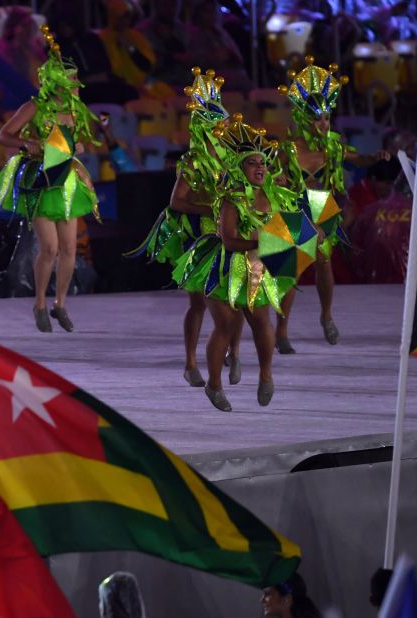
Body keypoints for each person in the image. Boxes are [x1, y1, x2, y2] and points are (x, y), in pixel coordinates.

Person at [173, 115, 301, 411]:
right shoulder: (231, 199)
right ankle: (214, 384)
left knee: (261, 322)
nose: (260, 168)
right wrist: (264, 244)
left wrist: (308, 232)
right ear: (240, 167)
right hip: (224, 267)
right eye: (252, 163)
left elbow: (294, 225)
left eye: (263, 163)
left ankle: (266, 375)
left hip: (259, 267)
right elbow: (228, 240)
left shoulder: (275, 195)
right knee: (226, 326)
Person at [130, 68, 242, 388]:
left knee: (236, 298)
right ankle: (191, 362)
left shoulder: (233, 158)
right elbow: (177, 202)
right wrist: (212, 208)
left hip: (228, 234)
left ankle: (233, 352)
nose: (221, 128)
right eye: (216, 124)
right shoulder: (192, 162)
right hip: (199, 237)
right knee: (199, 304)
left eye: (222, 123)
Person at [275, 58, 390, 353]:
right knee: (292, 269)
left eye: (327, 118)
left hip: (322, 206)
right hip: (295, 207)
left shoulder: (333, 146)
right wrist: (281, 179)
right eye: (318, 119)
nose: (324, 124)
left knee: (324, 263)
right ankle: (282, 331)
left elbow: (358, 159)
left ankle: (326, 315)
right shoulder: (288, 149)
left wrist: (376, 157)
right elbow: (270, 176)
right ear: (304, 119)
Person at [0, 26, 101, 333]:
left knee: (69, 248)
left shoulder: (75, 112)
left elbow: (82, 141)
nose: (77, 87)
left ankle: (60, 304)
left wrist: (80, 146)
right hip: (40, 181)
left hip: (66, 179)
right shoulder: (35, 107)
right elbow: (3, 135)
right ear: (56, 83)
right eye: (71, 82)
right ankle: (39, 302)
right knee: (50, 248)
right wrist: (30, 144)